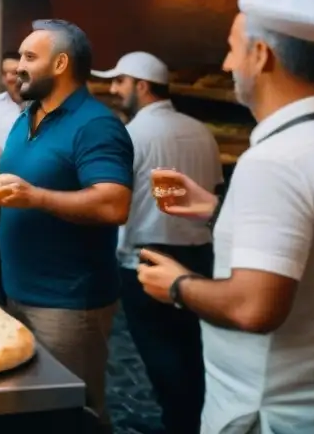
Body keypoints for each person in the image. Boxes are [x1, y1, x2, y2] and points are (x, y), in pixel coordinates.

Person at [138, 0, 314, 434]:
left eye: (231, 49)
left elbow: (254, 307)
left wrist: (177, 285)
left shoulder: (274, 161)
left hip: (269, 416)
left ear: (262, 55)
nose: (227, 65)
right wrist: (217, 208)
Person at [0, 20, 133, 428]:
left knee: (73, 412)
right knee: (33, 408)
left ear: (61, 63)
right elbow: (29, 189)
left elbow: (114, 203)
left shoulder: (96, 124)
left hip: (68, 303)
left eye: (30, 58)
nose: (17, 68)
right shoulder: (26, 115)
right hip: (18, 291)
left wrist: (35, 197)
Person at [92, 51, 222, 434]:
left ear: (142, 87)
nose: (114, 90)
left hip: (147, 260)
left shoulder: (131, 135)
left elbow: (112, 198)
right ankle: (195, 421)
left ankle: (178, 424)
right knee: (192, 351)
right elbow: (211, 193)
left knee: (160, 355)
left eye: (120, 82)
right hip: (199, 256)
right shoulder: (201, 131)